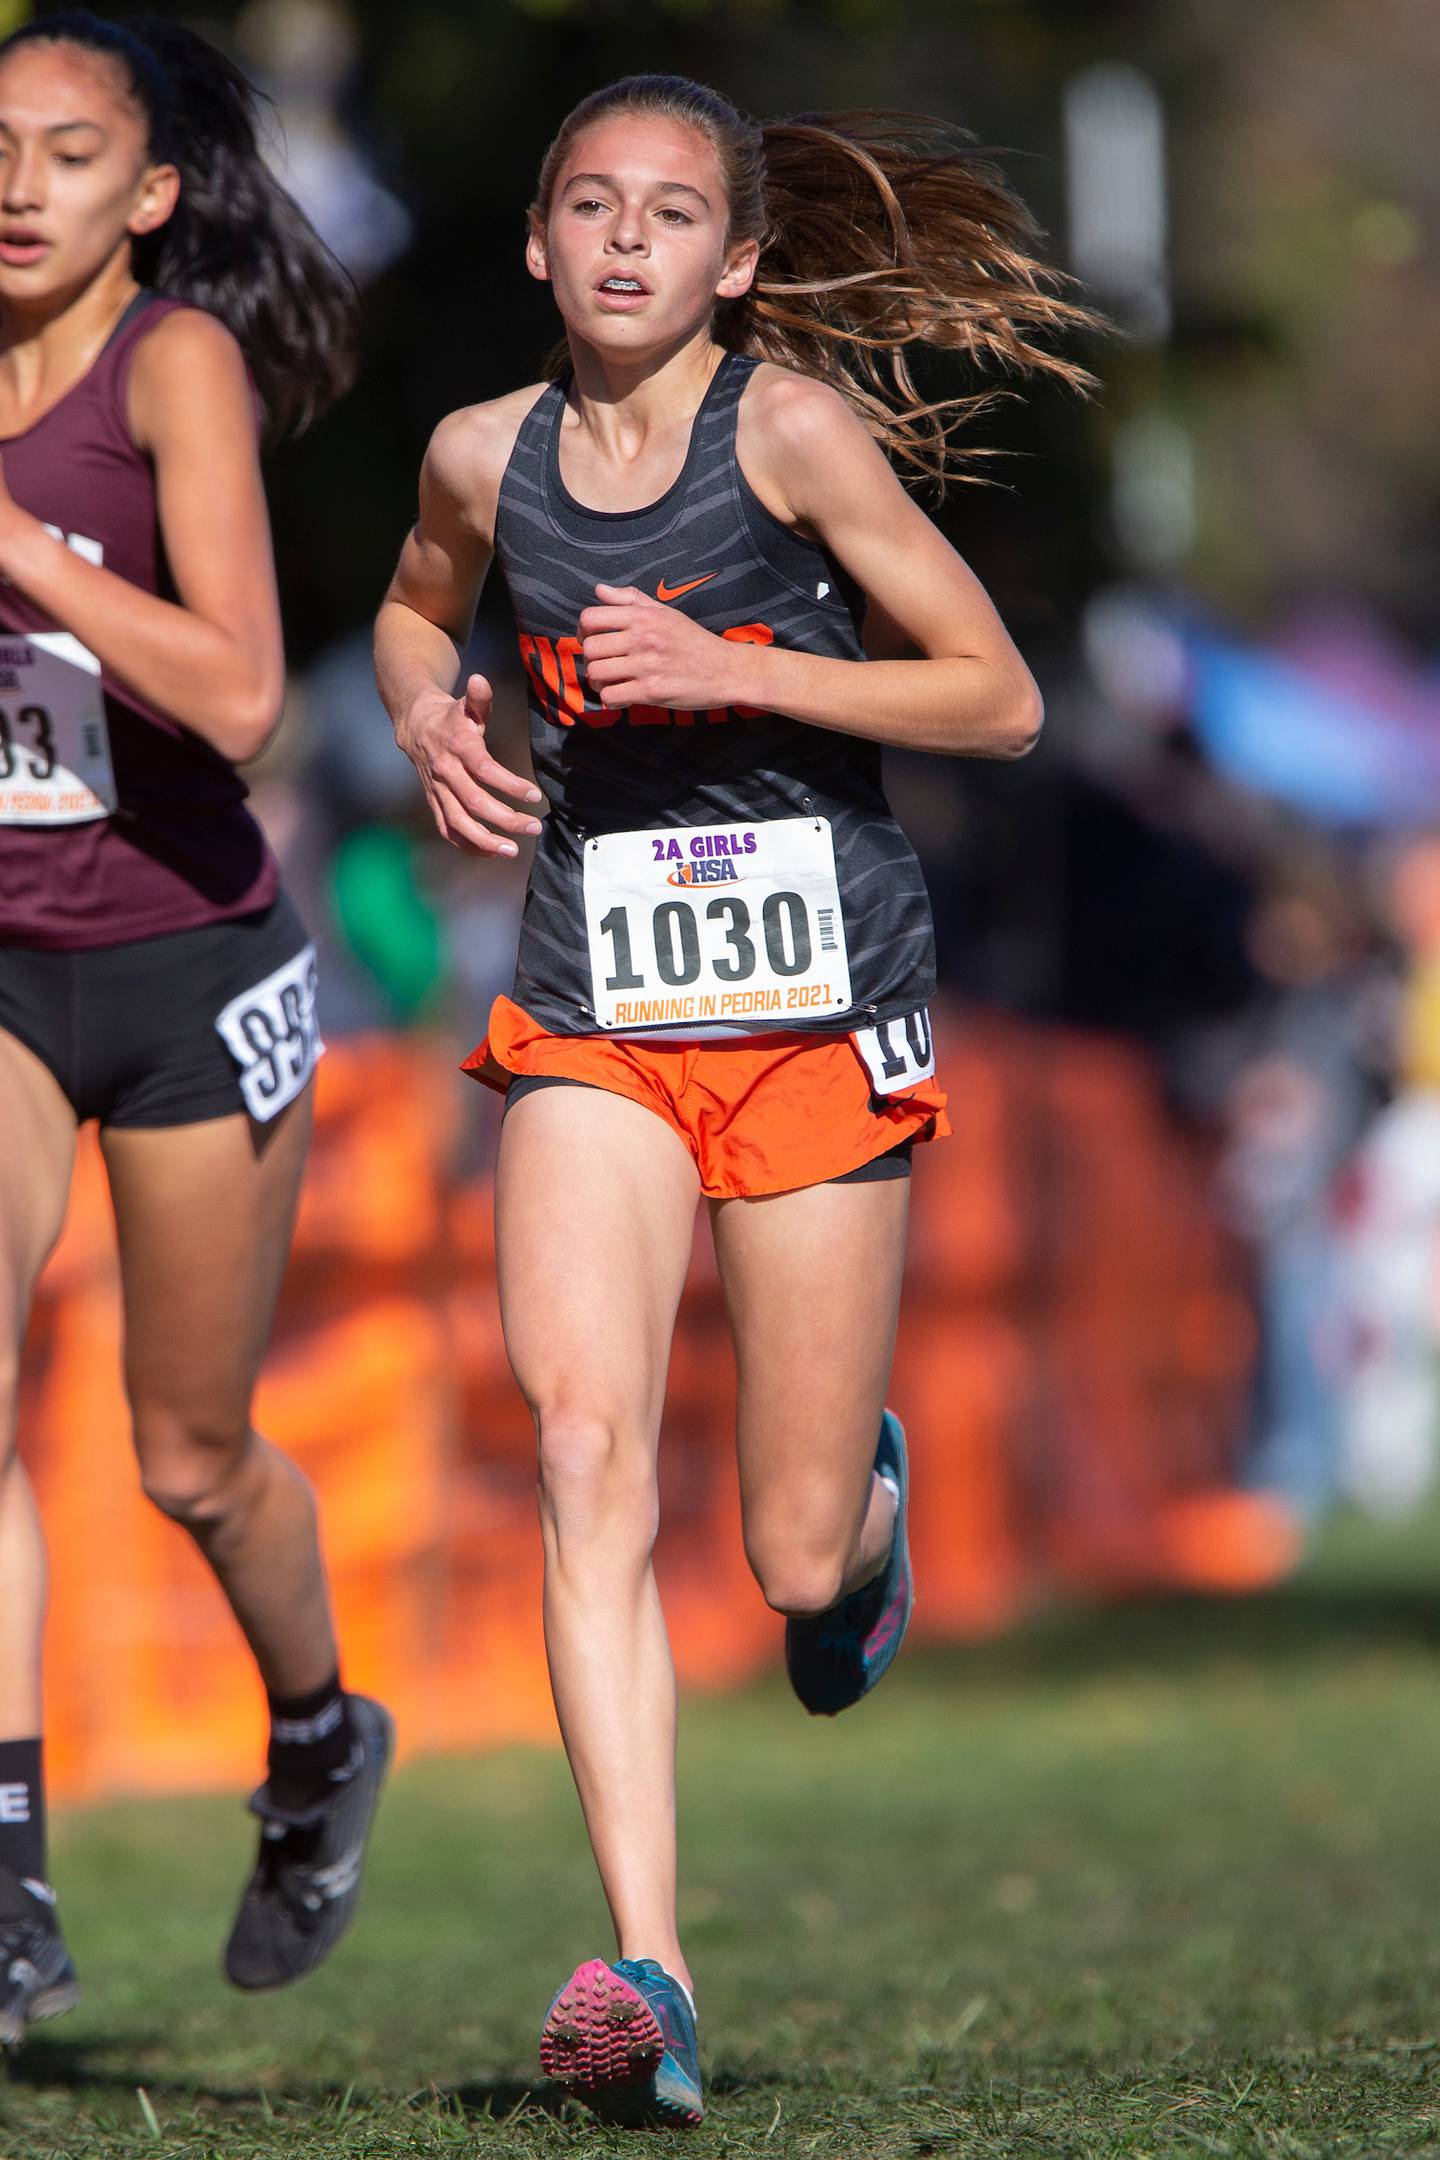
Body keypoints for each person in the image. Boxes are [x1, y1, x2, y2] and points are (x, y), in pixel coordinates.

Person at [376, 74, 1087, 2127]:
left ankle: (854, 1522)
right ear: (534, 242)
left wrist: (744, 668)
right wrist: (429, 712)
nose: (623, 241)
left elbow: (1000, 694)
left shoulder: (786, 431)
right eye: (588, 206)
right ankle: (647, 1969)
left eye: (671, 213)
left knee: (778, 1560)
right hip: (593, 998)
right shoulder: (475, 456)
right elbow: (416, 610)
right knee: (584, 1443)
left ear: (738, 261)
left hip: (812, 1001)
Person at [0, 12, 391, 2043]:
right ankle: (4, 1872)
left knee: (189, 1450)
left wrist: (16, 551)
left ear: (147, 193)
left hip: (184, 969)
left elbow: (242, 699)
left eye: (66, 155)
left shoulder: (176, 364)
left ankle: (320, 1731)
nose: (14, 186)